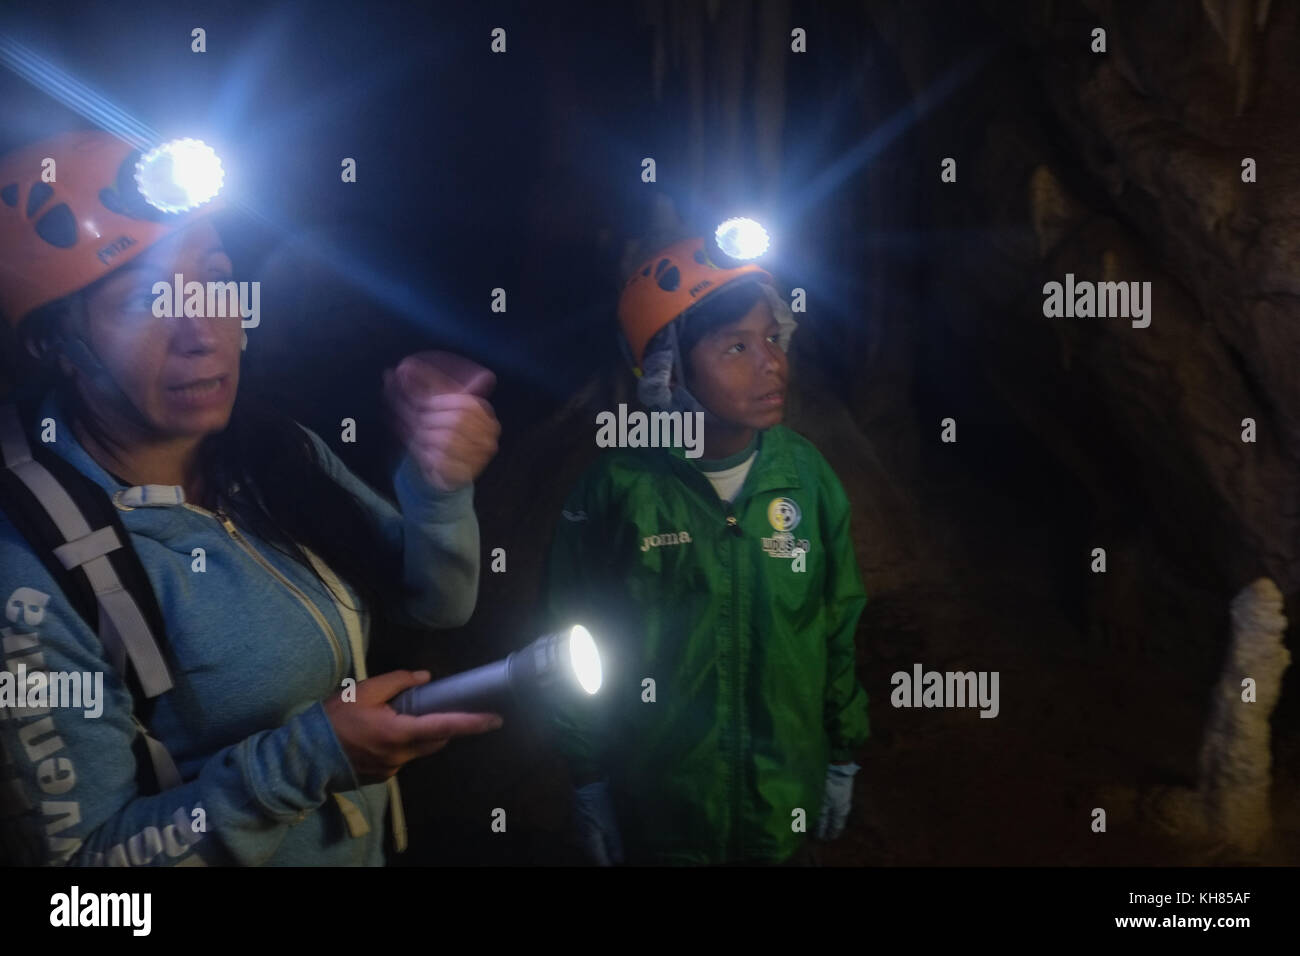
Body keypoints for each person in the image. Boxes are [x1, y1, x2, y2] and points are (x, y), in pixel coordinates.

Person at [0, 130, 502, 866]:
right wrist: (307, 762)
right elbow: (82, 892)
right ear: (53, 345)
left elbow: (435, 602)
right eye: (145, 303)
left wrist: (437, 492)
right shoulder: (31, 570)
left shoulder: (270, 453)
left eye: (213, 279)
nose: (202, 333)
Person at [543, 233, 870, 865]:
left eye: (773, 338)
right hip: (665, 815)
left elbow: (836, 623)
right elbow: (568, 637)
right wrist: (588, 776)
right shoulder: (619, 491)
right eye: (736, 347)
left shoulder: (806, 477)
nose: (771, 363)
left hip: (783, 811)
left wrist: (842, 752)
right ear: (668, 369)